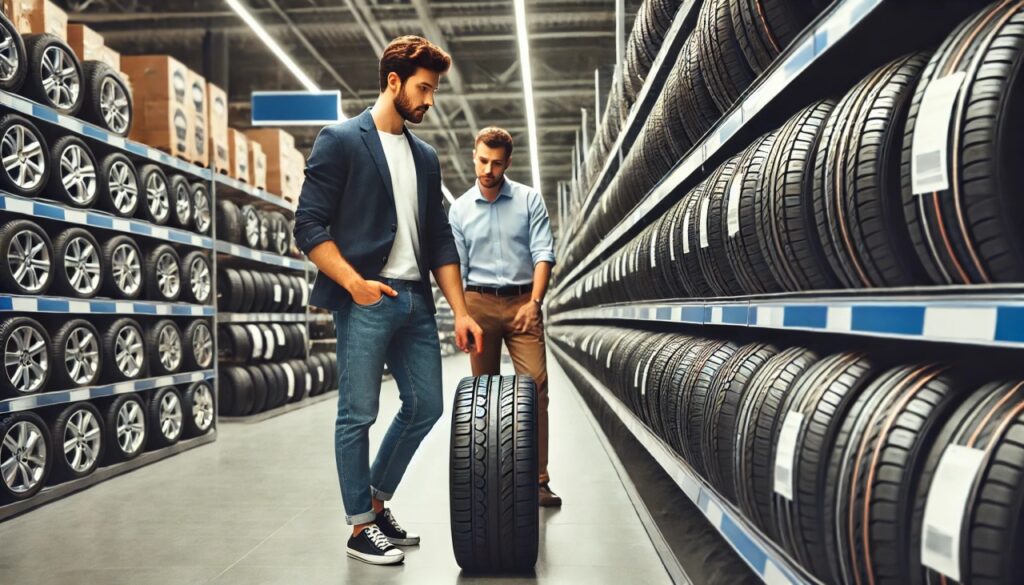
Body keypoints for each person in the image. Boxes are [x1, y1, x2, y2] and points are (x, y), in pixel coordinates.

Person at [293, 35, 484, 566]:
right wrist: (354, 284)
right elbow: (307, 225)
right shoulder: (341, 139)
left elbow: (441, 240)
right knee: (358, 413)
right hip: (366, 297)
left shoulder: (425, 156)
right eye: (423, 88)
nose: (429, 100)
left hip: (417, 300)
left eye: (434, 91)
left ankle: (375, 503)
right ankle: (359, 528)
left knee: (426, 404)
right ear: (393, 82)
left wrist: (461, 310)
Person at [448, 127, 561, 507]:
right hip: (478, 304)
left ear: (508, 163)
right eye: (482, 161)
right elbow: (457, 267)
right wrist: (460, 315)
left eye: (496, 163)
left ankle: (538, 479)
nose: (488, 169)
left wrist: (535, 302)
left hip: (521, 305)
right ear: (473, 156)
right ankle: (489, 478)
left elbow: (543, 252)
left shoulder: (529, 200)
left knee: (536, 388)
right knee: (483, 394)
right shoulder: (460, 209)